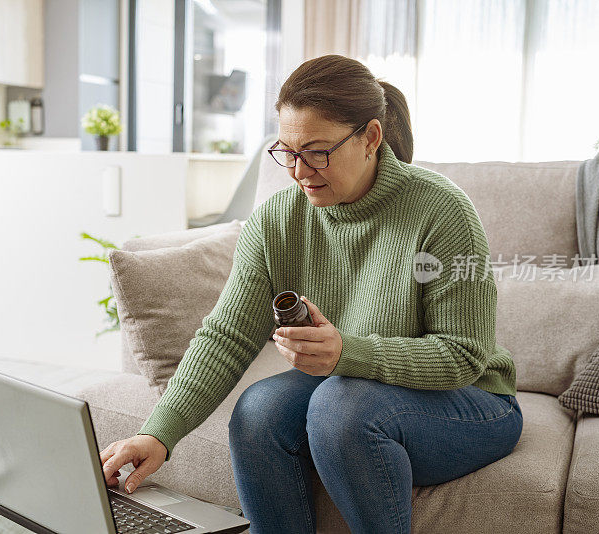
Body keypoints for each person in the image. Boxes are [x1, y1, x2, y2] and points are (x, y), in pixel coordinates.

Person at [100, 54, 523, 534]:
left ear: (370, 138)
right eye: (287, 152)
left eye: (317, 151)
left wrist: (348, 351)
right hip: (357, 389)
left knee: (340, 407)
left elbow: (464, 357)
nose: (299, 171)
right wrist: (158, 432)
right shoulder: (279, 219)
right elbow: (226, 335)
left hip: (469, 401)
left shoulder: (442, 210)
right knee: (259, 410)